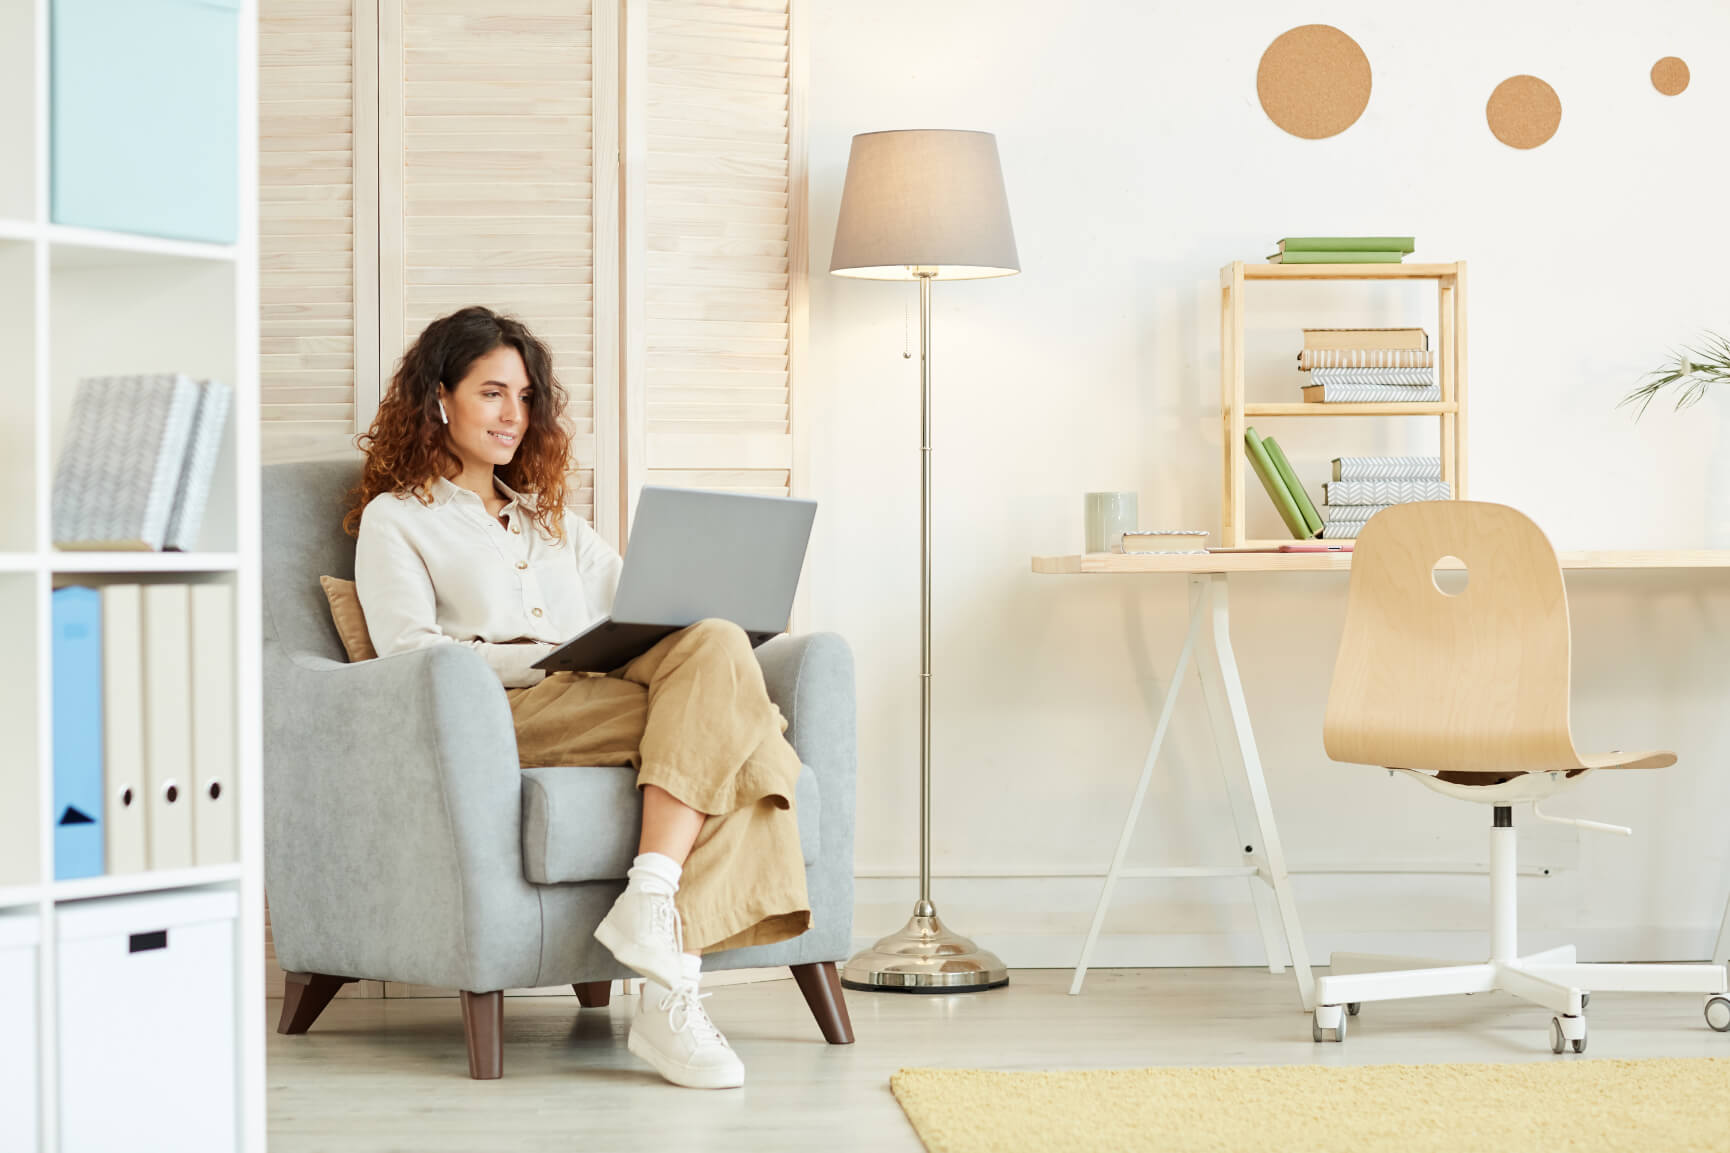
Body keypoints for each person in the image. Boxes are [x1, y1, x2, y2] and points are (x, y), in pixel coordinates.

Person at [345, 305, 809, 1090]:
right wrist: (540, 660)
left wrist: (664, 627)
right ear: (438, 398)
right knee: (744, 729)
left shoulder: (552, 522)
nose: (513, 416)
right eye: (492, 393)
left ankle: (657, 924)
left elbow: (650, 606)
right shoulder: (397, 519)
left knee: (719, 638)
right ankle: (667, 985)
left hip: (597, 694)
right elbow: (409, 653)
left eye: (526, 398)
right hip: (505, 713)